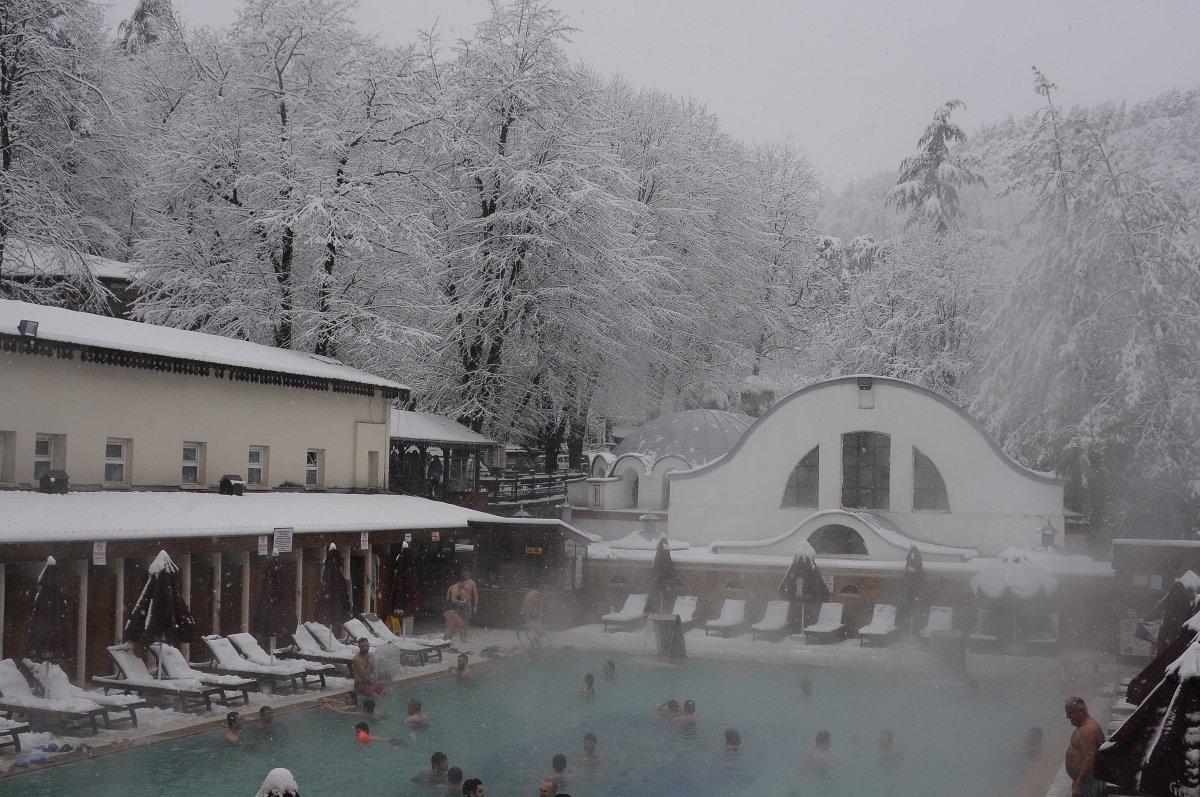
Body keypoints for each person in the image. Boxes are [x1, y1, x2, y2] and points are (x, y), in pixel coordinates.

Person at [1064, 697, 1106, 797]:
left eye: (1070, 713)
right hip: (1086, 782)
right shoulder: (1083, 727)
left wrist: (1079, 785)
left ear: (1082, 712)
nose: (1067, 717)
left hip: (1089, 782)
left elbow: (1089, 760)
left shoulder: (1088, 730)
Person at [458, 569, 479, 641]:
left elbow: (475, 595)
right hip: (459, 602)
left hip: (467, 602)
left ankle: (464, 635)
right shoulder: (460, 583)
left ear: (469, 573)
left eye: (467, 572)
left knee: (465, 620)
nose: (465, 574)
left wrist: (475, 605)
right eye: (464, 572)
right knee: (458, 618)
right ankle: (460, 632)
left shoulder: (472, 583)